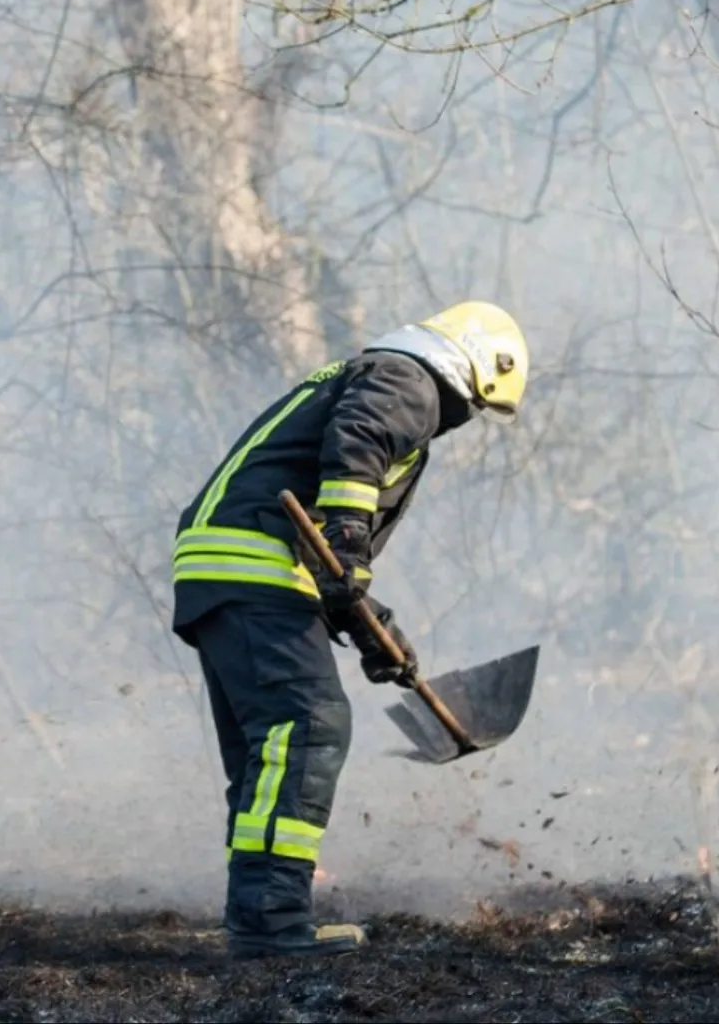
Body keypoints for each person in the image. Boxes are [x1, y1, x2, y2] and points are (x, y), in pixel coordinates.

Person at [171, 302, 530, 959]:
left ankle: (257, 913)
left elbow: (331, 550)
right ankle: (270, 924)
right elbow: (356, 450)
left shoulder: (370, 374)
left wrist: (367, 623)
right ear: (473, 368)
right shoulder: (406, 380)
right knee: (309, 726)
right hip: (257, 563)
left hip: (229, 566)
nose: (465, 420)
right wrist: (348, 547)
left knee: (271, 749)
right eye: (477, 405)